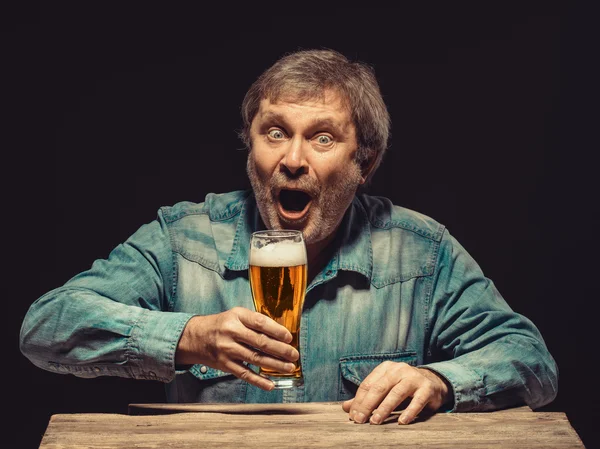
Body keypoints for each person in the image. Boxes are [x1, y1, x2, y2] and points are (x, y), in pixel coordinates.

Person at [20, 49, 558, 426]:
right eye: (275, 133)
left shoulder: (421, 251)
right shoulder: (184, 238)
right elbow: (46, 325)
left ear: (364, 162)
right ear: (250, 145)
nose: (293, 160)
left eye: (322, 137)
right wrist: (186, 338)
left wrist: (441, 381)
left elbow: (529, 359)